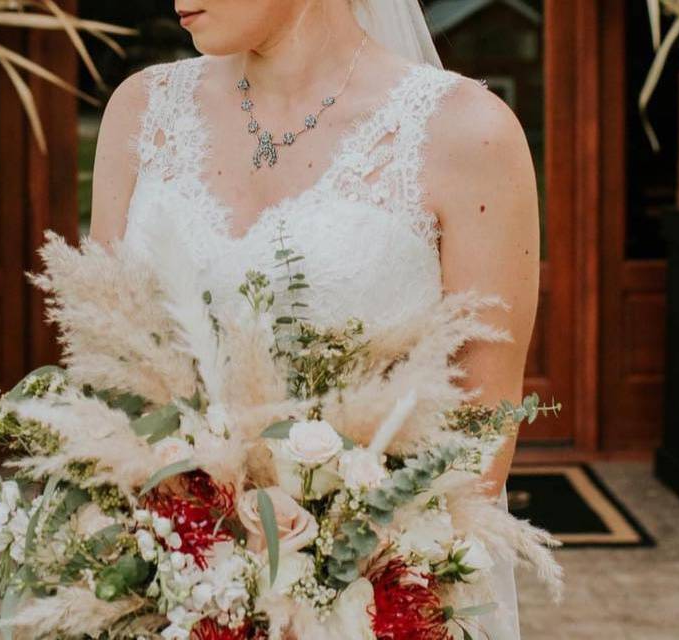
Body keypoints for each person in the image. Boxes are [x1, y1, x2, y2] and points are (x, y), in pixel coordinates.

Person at [89, 1, 540, 637]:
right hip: (167, 586)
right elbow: (112, 373)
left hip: (372, 599)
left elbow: (482, 414)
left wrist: (359, 584)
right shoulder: (141, 112)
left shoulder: (467, 132)